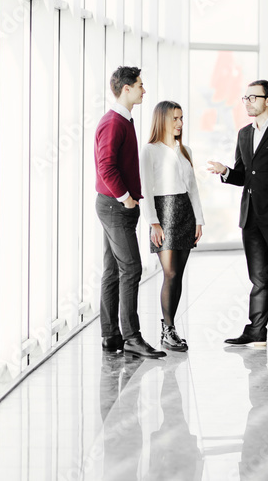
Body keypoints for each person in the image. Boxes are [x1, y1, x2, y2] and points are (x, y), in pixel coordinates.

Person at [207, 80, 268, 351]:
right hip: (250, 217)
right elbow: (243, 175)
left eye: (252, 97)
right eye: (245, 97)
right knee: (258, 279)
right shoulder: (244, 134)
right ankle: (257, 332)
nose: (247, 101)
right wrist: (225, 171)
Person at [95, 67, 166, 359]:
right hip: (115, 207)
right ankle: (131, 337)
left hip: (113, 205)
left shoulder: (122, 120)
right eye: (139, 85)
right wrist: (125, 198)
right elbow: (106, 167)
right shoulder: (114, 122)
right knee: (131, 269)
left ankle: (111, 335)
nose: (143, 90)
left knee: (113, 271)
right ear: (126, 88)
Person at [141, 101, 204, 352]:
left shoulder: (185, 150)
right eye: (174, 119)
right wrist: (153, 223)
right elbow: (146, 189)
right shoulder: (150, 150)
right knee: (171, 273)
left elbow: (193, 189)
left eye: (181, 118)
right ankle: (167, 330)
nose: (179, 123)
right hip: (163, 214)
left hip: (185, 213)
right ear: (162, 120)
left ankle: (171, 328)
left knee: (178, 275)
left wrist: (199, 220)